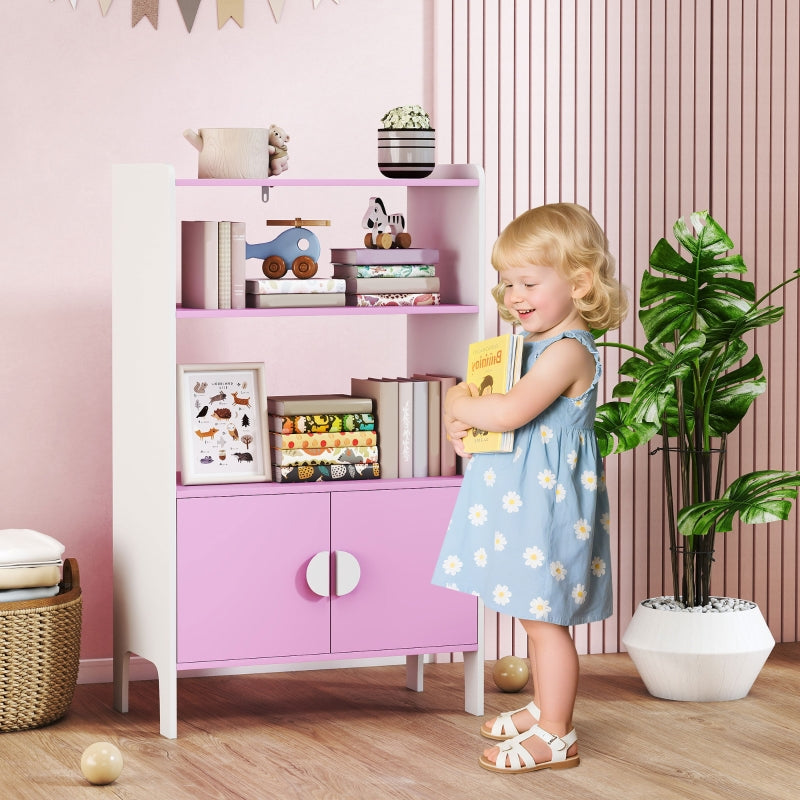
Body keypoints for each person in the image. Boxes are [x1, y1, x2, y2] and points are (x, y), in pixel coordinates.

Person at [431, 203, 628, 774]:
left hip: (548, 508)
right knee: (531, 611)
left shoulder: (569, 350)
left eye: (528, 282)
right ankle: (544, 707)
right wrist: (462, 414)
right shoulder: (527, 343)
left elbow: (508, 411)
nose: (514, 295)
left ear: (579, 283)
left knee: (546, 623)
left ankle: (557, 734)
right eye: (507, 283)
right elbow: (492, 409)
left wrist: (457, 401)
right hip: (522, 502)